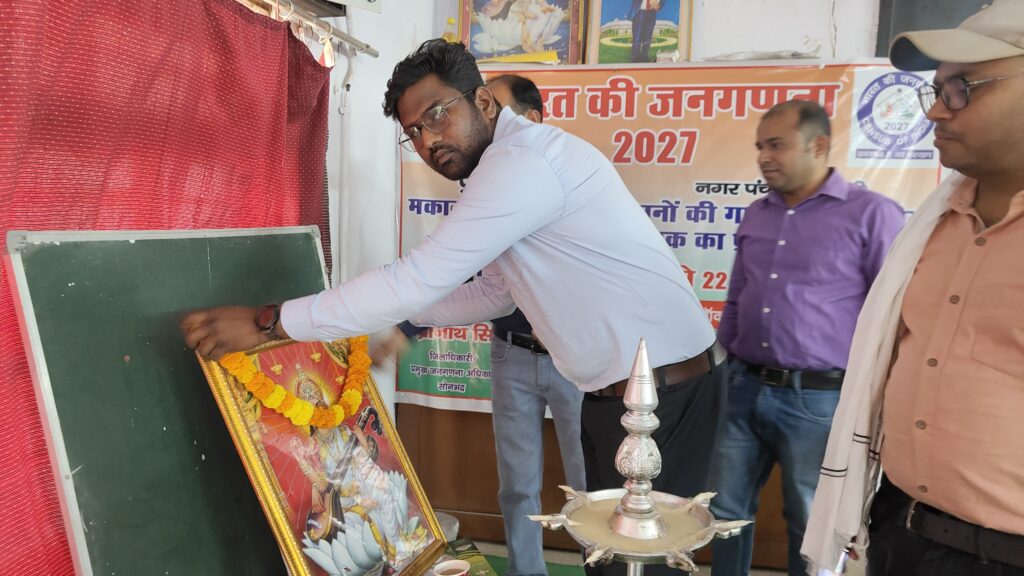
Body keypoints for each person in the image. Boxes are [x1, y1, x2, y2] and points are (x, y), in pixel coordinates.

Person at [181, 39, 725, 576]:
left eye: (437, 115)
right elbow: (496, 292)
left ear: (483, 102)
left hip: (659, 396)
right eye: (414, 131)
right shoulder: (506, 168)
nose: (427, 140)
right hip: (618, 394)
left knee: (637, 567)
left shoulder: (522, 161)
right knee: (609, 562)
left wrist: (271, 324)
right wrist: (395, 318)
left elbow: (418, 277)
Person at [802, 2, 1024, 574]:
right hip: (900, 528)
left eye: (962, 89)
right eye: (937, 90)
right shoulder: (933, 222)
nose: (934, 111)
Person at [394, 73, 586, 576]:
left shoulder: (566, 184)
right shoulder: (482, 191)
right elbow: (463, 276)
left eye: (495, 111)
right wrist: (407, 326)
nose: (485, 123)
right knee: (517, 486)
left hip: (576, 362)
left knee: (592, 491)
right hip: (511, 354)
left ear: (532, 120)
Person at [709, 100, 904, 576]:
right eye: (760, 146)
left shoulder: (872, 214)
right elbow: (738, 296)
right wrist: (723, 368)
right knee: (725, 513)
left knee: (811, 520)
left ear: (818, 146)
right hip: (742, 386)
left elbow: (894, 315)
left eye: (776, 145)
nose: (764, 157)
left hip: (819, 399)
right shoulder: (757, 213)